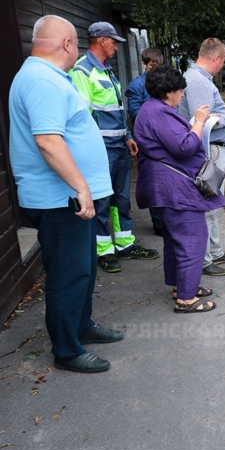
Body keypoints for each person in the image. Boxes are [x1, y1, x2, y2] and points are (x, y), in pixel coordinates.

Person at [9, 15, 124, 373]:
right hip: (62, 200)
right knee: (68, 274)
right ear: (68, 44)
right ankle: (67, 350)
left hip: (69, 199)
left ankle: (81, 326)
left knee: (84, 268)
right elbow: (47, 140)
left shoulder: (46, 77)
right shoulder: (42, 80)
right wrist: (81, 187)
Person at [134, 65, 225, 313]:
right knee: (192, 239)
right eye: (179, 91)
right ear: (169, 92)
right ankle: (186, 299)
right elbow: (184, 147)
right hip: (174, 188)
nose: (182, 95)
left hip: (167, 186)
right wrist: (198, 122)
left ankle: (182, 286)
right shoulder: (159, 113)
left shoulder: (153, 109)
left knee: (177, 241)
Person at [69, 21, 158, 273]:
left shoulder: (107, 70)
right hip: (100, 151)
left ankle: (125, 244)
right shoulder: (82, 72)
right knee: (102, 201)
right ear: (102, 41)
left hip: (118, 146)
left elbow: (117, 109)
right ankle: (104, 252)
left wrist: (128, 135)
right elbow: (82, 117)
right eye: (114, 43)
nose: (117, 48)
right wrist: (93, 150)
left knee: (121, 199)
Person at [179, 37, 225, 277]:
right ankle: (205, 259)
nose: (223, 66)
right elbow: (202, 120)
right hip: (211, 149)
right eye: (224, 61)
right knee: (207, 204)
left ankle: (214, 251)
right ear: (216, 58)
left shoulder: (197, 79)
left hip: (215, 148)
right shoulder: (198, 82)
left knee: (213, 204)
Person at [125, 47, 165, 236]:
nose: (156, 69)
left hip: (165, 139)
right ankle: (158, 224)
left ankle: (166, 220)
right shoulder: (136, 86)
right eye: (152, 66)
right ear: (144, 64)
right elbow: (134, 112)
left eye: (159, 66)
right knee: (153, 181)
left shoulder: (163, 82)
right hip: (147, 141)